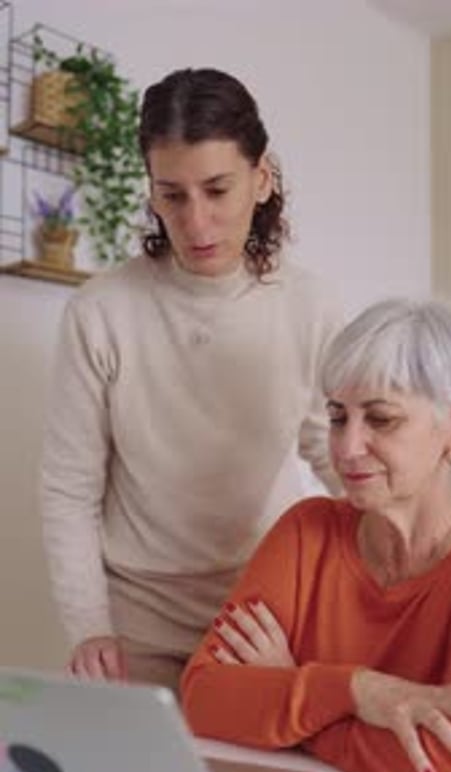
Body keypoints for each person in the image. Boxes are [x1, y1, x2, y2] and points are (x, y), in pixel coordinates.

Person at [40, 67, 341, 692]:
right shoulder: (101, 311)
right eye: (172, 195)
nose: (196, 222)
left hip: (262, 615)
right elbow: (69, 487)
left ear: (261, 180)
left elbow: (332, 449)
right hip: (136, 620)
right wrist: (89, 625)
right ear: (151, 193)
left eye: (216, 189)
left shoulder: (309, 305)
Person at [181, 297, 451, 772]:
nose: (347, 448)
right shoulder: (307, 531)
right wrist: (357, 691)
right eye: (337, 417)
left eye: (381, 419)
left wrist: (293, 702)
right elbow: (203, 698)